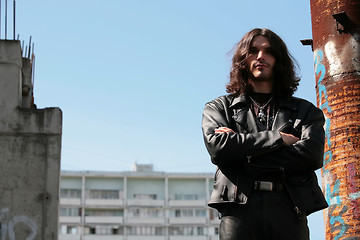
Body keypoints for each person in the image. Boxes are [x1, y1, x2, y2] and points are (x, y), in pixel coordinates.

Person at [201, 28, 328, 240]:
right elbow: (219, 148)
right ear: (243, 59)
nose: (261, 56)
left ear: (279, 60)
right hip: (238, 210)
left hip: (289, 206)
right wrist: (279, 139)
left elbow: (311, 155)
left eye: (268, 51)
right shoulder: (219, 107)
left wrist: (242, 152)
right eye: (253, 51)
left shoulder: (305, 111)